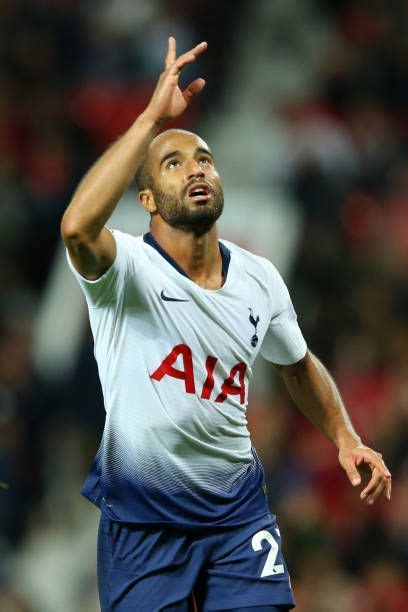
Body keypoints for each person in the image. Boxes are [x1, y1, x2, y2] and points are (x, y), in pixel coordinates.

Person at [61, 38, 392, 612]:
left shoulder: (259, 279)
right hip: (146, 519)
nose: (196, 168)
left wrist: (345, 437)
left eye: (204, 159)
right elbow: (75, 229)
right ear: (146, 198)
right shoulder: (125, 269)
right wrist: (149, 120)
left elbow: (297, 365)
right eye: (174, 162)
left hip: (237, 514)